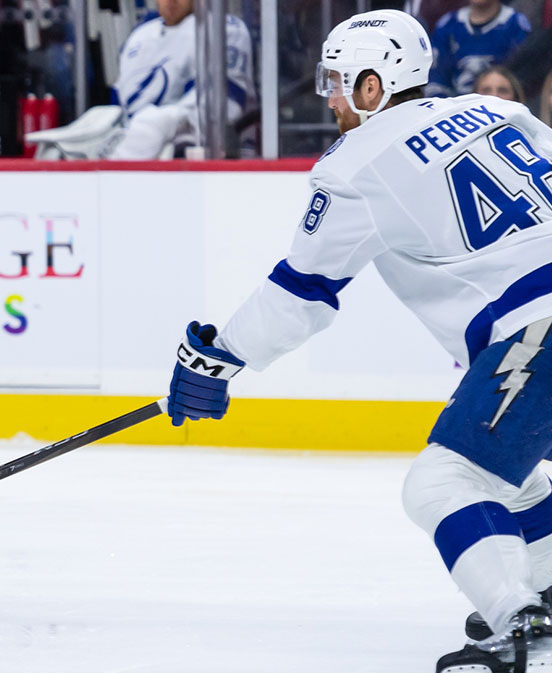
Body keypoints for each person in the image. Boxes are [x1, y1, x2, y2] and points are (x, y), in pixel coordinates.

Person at [163, 8, 552, 671]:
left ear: (375, 86)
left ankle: (521, 623)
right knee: (504, 475)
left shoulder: (356, 164)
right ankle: (540, 592)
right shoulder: (501, 114)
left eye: (340, 82)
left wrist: (218, 356)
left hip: (538, 326)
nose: (332, 97)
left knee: (442, 481)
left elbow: (299, 295)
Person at [108, 0, 254, 159]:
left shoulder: (223, 27)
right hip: (138, 153)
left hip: (212, 157)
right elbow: (120, 108)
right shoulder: (138, 37)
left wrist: (158, 124)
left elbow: (225, 104)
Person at [427, 0, 530, 97]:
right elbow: (437, 81)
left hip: (501, 109)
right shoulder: (448, 24)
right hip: (456, 109)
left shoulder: (516, 25)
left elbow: (520, 83)